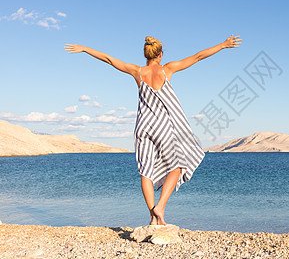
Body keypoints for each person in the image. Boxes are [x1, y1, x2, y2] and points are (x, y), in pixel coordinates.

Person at [64, 34, 242, 225]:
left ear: (146, 54)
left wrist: (84, 48)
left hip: (143, 127)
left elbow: (109, 59)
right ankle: (160, 208)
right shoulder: (168, 69)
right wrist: (223, 45)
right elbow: (197, 57)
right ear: (160, 54)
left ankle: (152, 217)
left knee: (145, 172)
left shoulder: (137, 71)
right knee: (177, 167)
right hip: (163, 127)